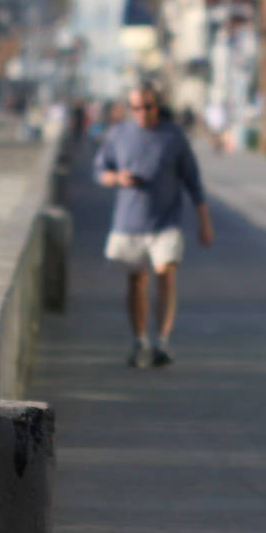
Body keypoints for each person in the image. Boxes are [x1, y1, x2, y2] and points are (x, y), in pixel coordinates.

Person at [94, 81, 214, 368]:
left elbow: (193, 181)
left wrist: (204, 221)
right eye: (136, 107)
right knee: (137, 281)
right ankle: (140, 341)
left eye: (147, 106)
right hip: (130, 221)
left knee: (165, 273)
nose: (142, 112)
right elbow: (100, 169)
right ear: (129, 108)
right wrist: (116, 179)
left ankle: (162, 340)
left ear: (157, 106)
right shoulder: (119, 134)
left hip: (166, 220)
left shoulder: (173, 137)